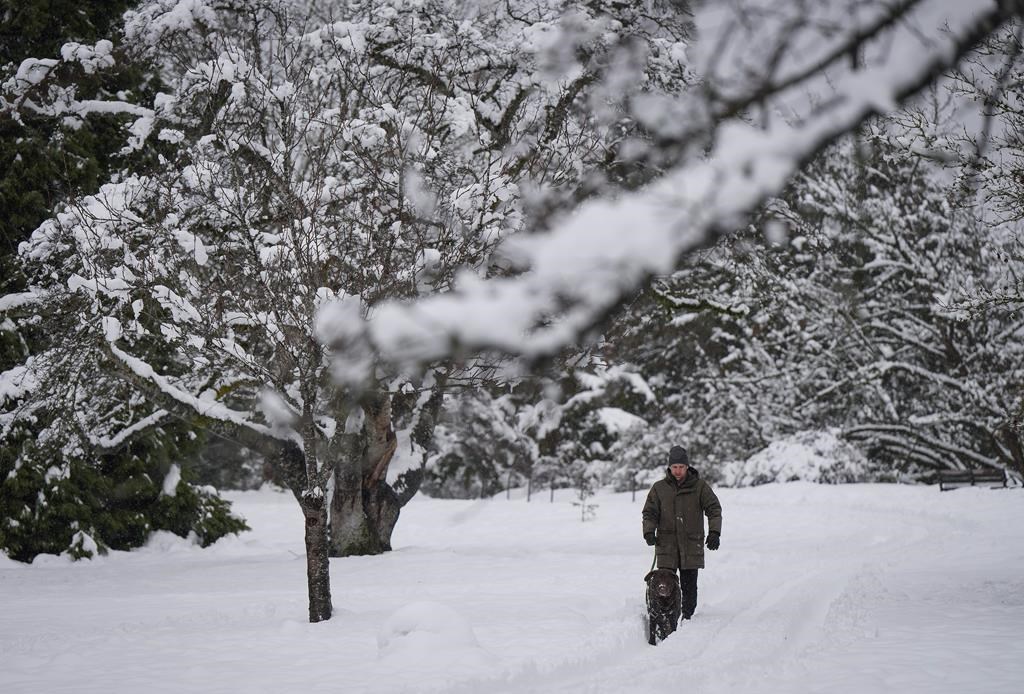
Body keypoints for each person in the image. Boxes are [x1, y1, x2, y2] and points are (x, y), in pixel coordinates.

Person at [641, 445, 722, 620]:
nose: (678, 471)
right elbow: (649, 512)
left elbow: (714, 509)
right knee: (664, 586)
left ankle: (687, 619)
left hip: (691, 545)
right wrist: (648, 531)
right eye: (674, 467)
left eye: (681, 467)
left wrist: (715, 532)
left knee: (689, 586)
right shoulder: (659, 488)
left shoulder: (700, 487)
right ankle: (664, 620)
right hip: (666, 546)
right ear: (669, 468)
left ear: (687, 467)